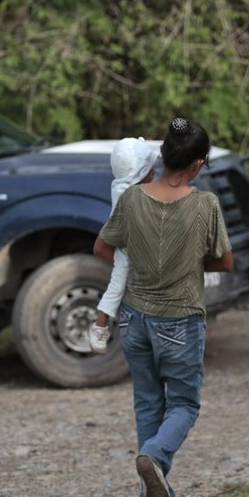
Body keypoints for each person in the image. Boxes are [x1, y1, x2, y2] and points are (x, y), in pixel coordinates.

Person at [93, 117, 233, 497]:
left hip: (134, 320)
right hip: (180, 322)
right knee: (185, 405)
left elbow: (102, 248)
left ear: (163, 154)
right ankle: (155, 455)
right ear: (197, 165)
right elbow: (225, 261)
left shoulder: (131, 199)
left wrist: (139, 262)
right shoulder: (204, 205)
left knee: (147, 402)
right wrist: (187, 262)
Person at [88, 137, 158, 353]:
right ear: (138, 174)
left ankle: (102, 326)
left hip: (134, 251)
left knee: (117, 287)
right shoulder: (130, 194)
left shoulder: (121, 187)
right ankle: (99, 327)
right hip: (128, 252)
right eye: (149, 169)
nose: (155, 172)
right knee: (116, 287)